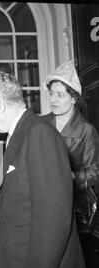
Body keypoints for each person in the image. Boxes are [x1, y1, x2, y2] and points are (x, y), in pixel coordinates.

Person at [0, 71, 87, 268]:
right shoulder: (20, 133)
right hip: (23, 267)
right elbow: (20, 204)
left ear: (0, 105)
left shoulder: (38, 133)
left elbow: (53, 213)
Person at [43, 60, 99, 213]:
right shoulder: (39, 124)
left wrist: (72, 177)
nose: (53, 100)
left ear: (73, 98)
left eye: (60, 95)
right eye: (52, 93)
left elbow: (94, 173)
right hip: (41, 198)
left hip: (72, 204)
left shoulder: (87, 131)